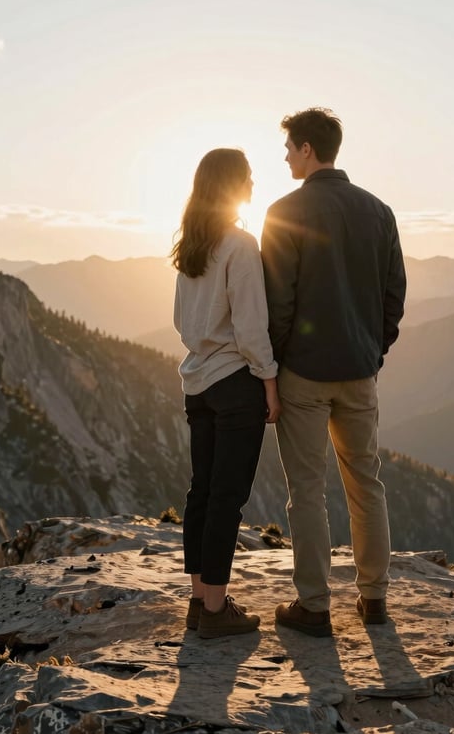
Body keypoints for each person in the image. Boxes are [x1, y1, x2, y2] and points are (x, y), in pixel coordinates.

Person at [261, 108, 406, 637]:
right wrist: (373, 349)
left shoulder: (283, 213)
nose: (284, 157)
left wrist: (273, 371)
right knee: (366, 483)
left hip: (303, 372)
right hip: (359, 372)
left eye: (289, 147)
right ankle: (374, 601)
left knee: (306, 489)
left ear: (306, 150)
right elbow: (395, 296)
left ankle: (315, 606)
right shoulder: (379, 212)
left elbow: (278, 302)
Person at [172, 148, 281, 639]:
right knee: (227, 498)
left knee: (202, 492)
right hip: (236, 382)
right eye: (248, 177)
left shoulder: (192, 248)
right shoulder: (240, 244)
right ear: (232, 185)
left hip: (198, 382)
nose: (254, 183)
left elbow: (182, 321)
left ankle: (199, 599)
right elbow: (252, 326)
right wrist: (269, 382)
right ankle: (217, 611)